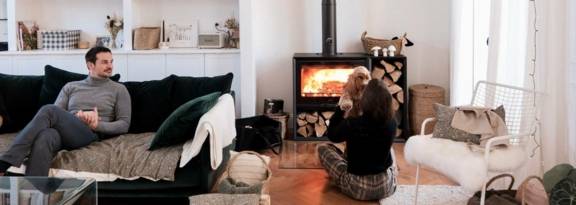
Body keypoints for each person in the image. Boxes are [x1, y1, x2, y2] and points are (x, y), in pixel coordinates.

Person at [0, 46, 131, 176]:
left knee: (49, 109)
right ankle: (36, 193)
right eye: (104, 62)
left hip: (89, 133)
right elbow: (55, 116)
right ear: (90, 65)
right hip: (65, 131)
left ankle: (7, 161)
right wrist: (76, 117)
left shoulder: (119, 89)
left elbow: (124, 124)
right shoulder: (71, 87)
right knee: (45, 136)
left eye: (111, 61)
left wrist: (96, 125)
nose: (110, 66)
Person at [317, 78, 397, 201]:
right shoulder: (392, 122)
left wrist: (340, 108)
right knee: (390, 149)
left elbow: (332, 135)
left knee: (322, 148)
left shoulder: (352, 124)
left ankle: (346, 167)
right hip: (386, 187)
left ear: (365, 101)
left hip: (358, 188)